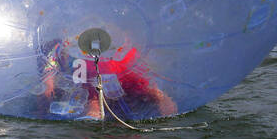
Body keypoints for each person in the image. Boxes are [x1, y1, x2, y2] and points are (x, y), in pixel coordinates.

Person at [40, 39, 177, 119]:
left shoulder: (64, 43)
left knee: (93, 100)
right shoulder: (118, 33)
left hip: (95, 65)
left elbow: (51, 62)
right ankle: (169, 114)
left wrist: (49, 84)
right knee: (148, 89)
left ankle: (93, 115)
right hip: (119, 62)